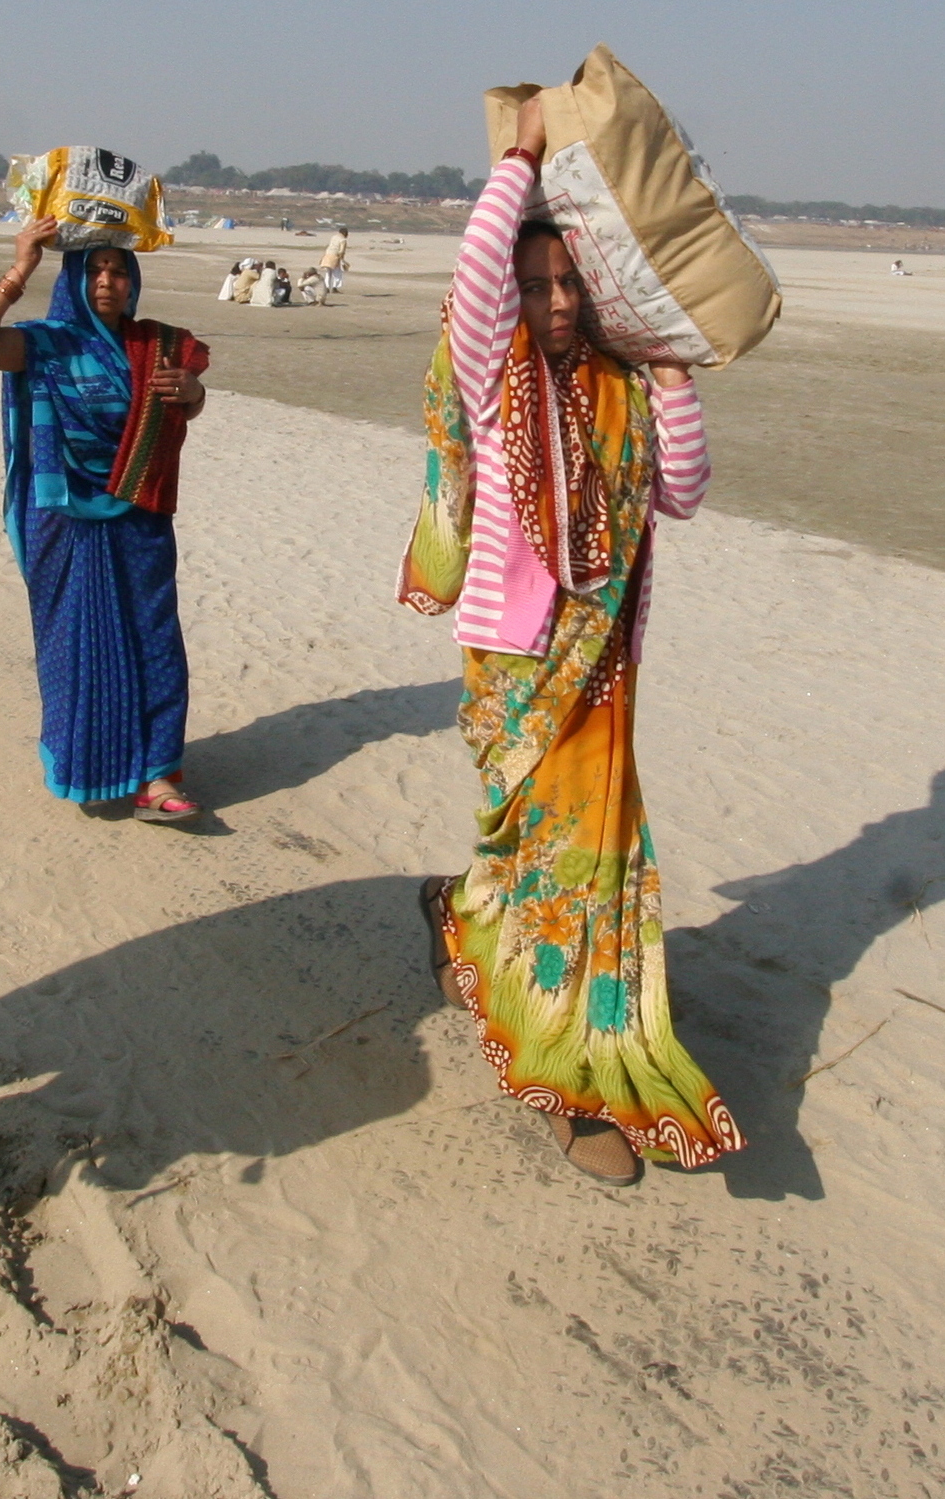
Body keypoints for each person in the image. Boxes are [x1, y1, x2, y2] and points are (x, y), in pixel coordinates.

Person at [401, 94, 742, 1186]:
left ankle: (550, 1032)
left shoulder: (621, 390)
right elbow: (471, 283)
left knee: (574, 867)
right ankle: (558, 1072)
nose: (552, 303)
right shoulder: (488, 379)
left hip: (602, 669)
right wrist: (520, 160)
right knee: (543, 851)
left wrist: (676, 375)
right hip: (514, 661)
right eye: (535, 285)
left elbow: (681, 495)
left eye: (569, 285)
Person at [0, 217, 210, 821]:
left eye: (119, 272)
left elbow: (190, 401)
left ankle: (159, 776)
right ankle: (86, 764)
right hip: (64, 520)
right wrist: (22, 265)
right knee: (75, 642)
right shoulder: (46, 342)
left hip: (140, 511)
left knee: (155, 640)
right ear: (74, 278)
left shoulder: (155, 345)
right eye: (95, 270)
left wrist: (192, 394)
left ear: (134, 283)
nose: (108, 281)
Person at [320, 224, 348, 293]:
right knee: (337, 273)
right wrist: (342, 260)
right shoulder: (343, 240)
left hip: (327, 255)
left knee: (328, 273)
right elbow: (342, 251)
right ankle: (334, 287)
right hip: (335, 256)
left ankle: (326, 287)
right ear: (344, 233)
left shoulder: (334, 237)